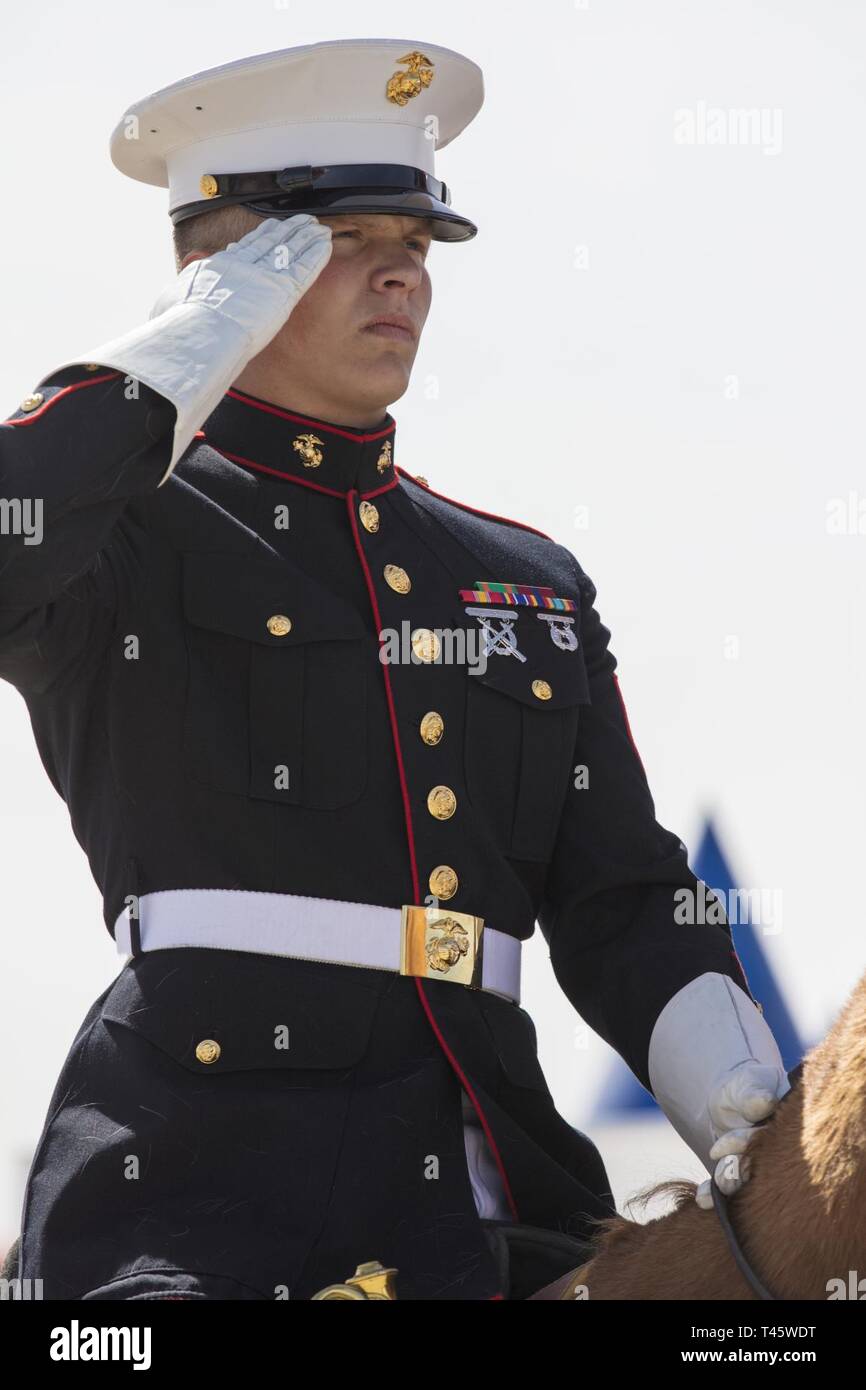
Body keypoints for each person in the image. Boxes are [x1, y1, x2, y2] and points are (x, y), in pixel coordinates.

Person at [0, 38, 790, 1301]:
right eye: (341, 240)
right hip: (197, 1200)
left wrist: (739, 1088)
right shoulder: (122, 529)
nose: (400, 278)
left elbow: (624, 900)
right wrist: (174, 359)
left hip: (496, 1188)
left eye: (415, 245)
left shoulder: (524, 577)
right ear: (223, 270)